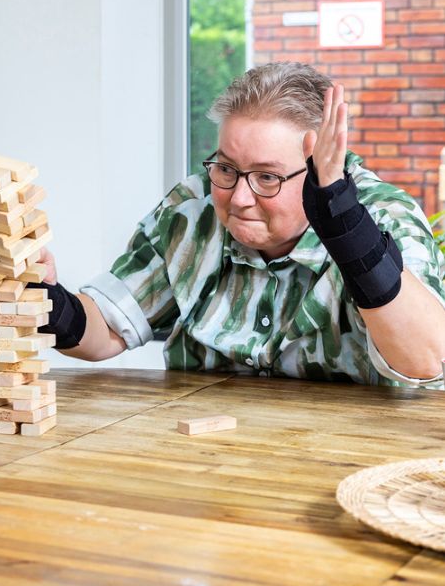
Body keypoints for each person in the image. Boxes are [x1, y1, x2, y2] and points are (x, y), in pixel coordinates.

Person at [33, 62, 445, 386]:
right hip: (207, 448)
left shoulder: (384, 217)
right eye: (227, 168)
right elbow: (106, 330)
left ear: (318, 168)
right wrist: (42, 297)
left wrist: (345, 226)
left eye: (267, 177)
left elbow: (427, 362)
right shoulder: (191, 210)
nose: (240, 198)